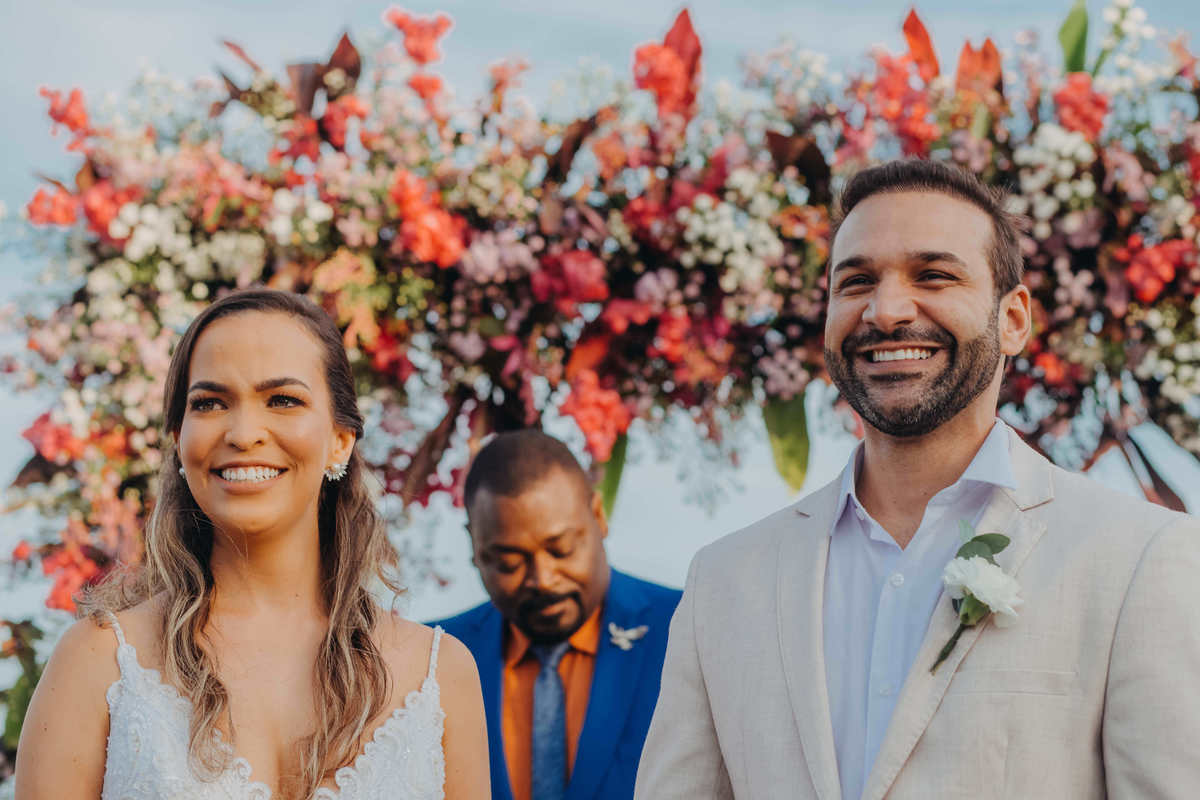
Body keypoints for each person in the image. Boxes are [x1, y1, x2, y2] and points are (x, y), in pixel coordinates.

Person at [635, 159, 1200, 799]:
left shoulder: (1138, 561)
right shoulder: (723, 582)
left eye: (934, 275)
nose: (886, 311)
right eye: (856, 282)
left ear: (1014, 319)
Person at [15, 288, 489, 800]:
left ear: (340, 439)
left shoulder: (439, 676)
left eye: (283, 400)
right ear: (178, 439)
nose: (243, 433)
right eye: (210, 403)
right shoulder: (98, 662)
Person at [433, 429, 681, 800]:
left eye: (561, 549)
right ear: (475, 545)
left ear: (598, 516)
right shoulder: (432, 659)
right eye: (509, 562)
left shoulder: (686, 628)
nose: (543, 579)